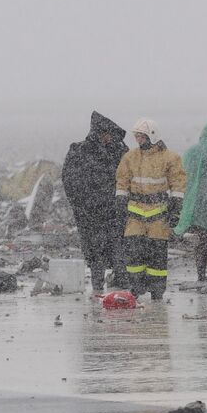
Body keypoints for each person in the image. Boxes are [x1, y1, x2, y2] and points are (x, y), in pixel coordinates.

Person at [115, 119, 186, 300]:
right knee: (134, 254)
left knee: (157, 256)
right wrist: (120, 200)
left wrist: (176, 207)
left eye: (141, 136)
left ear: (152, 136)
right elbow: (122, 180)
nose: (138, 140)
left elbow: (178, 182)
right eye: (137, 136)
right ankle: (135, 287)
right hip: (135, 212)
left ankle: (157, 290)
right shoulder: (130, 157)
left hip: (159, 213)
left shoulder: (170, 158)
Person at [62, 111, 128, 292]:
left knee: (118, 253)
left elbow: (128, 177)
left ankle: (120, 293)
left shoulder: (120, 151)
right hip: (90, 216)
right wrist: (82, 206)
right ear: (98, 134)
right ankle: (98, 290)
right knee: (96, 255)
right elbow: (70, 182)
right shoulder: (79, 151)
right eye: (105, 134)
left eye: (110, 135)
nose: (108, 138)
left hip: (113, 214)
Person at [174, 122, 207, 285]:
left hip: (198, 201)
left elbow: (183, 174)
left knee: (201, 241)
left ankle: (200, 274)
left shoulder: (192, 152)